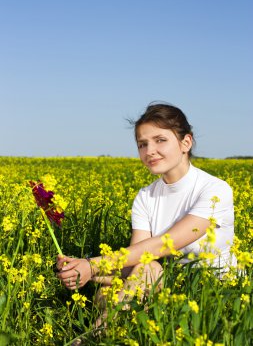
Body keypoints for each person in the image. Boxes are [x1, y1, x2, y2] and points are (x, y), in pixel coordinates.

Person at [57, 102, 235, 295]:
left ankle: (107, 324)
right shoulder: (145, 196)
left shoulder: (215, 189)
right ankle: (111, 324)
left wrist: (92, 266)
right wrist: (78, 268)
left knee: (141, 276)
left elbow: (167, 243)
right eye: (142, 144)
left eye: (160, 140)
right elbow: (136, 259)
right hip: (169, 286)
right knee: (110, 291)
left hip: (216, 292)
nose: (149, 151)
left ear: (186, 143)